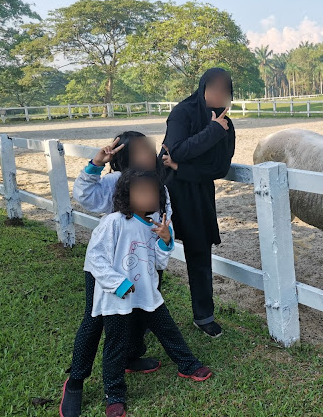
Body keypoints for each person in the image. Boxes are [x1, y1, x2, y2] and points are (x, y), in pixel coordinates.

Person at [60, 170, 212, 417]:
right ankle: (115, 395)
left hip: (147, 294)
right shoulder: (114, 222)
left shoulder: (156, 225)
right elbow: (95, 258)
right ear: (125, 196)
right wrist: (117, 283)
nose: (148, 197)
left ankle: (188, 364)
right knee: (116, 345)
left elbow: (160, 263)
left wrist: (165, 240)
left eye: (152, 192)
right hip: (116, 299)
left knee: (168, 330)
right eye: (140, 192)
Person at [67, 132, 172, 381]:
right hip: (106, 267)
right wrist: (96, 165)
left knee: (140, 312)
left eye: (150, 150)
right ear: (124, 156)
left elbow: (165, 221)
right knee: (94, 320)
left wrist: (162, 246)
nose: (148, 155)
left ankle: (131, 356)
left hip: (143, 263)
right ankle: (76, 380)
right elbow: (84, 196)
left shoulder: (159, 187)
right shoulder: (113, 182)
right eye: (140, 151)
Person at [161, 67, 236, 338]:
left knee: (200, 253)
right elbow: (175, 148)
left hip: (199, 194)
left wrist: (182, 166)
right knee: (153, 250)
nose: (219, 95)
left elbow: (218, 168)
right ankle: (145, 312)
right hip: (167, 190)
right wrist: (212, 131)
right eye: (213, 88)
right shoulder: (182, 112)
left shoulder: (227, 125)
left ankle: (203, 316)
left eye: (225, 90)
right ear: (202, 87)